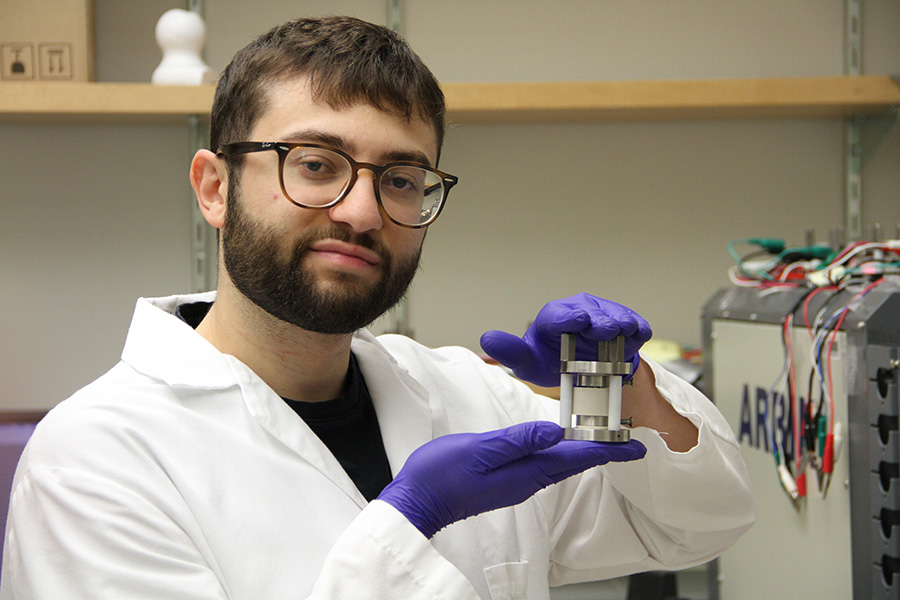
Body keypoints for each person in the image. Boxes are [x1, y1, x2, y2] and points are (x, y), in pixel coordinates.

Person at [0, 16, 753, 600]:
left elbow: (693, 526)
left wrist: (623, 392)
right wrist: (407, 526)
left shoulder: (471, 399)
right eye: (316, 164)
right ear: (215, 188)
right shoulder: (96, 459)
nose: (362, 211)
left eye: (399, 178)